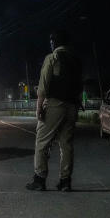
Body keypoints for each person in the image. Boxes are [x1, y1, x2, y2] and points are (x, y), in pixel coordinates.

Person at [26, 29, 83, 192]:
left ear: (54, 43)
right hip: (72, 106)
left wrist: (39, 107)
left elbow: (43, 86)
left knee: (42, 141)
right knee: (66, 144)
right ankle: (65, 181)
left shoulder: (52, 58)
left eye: (52, 41)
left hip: (55, 104)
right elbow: (79, 85)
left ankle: (39, 179)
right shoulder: (76, 60)